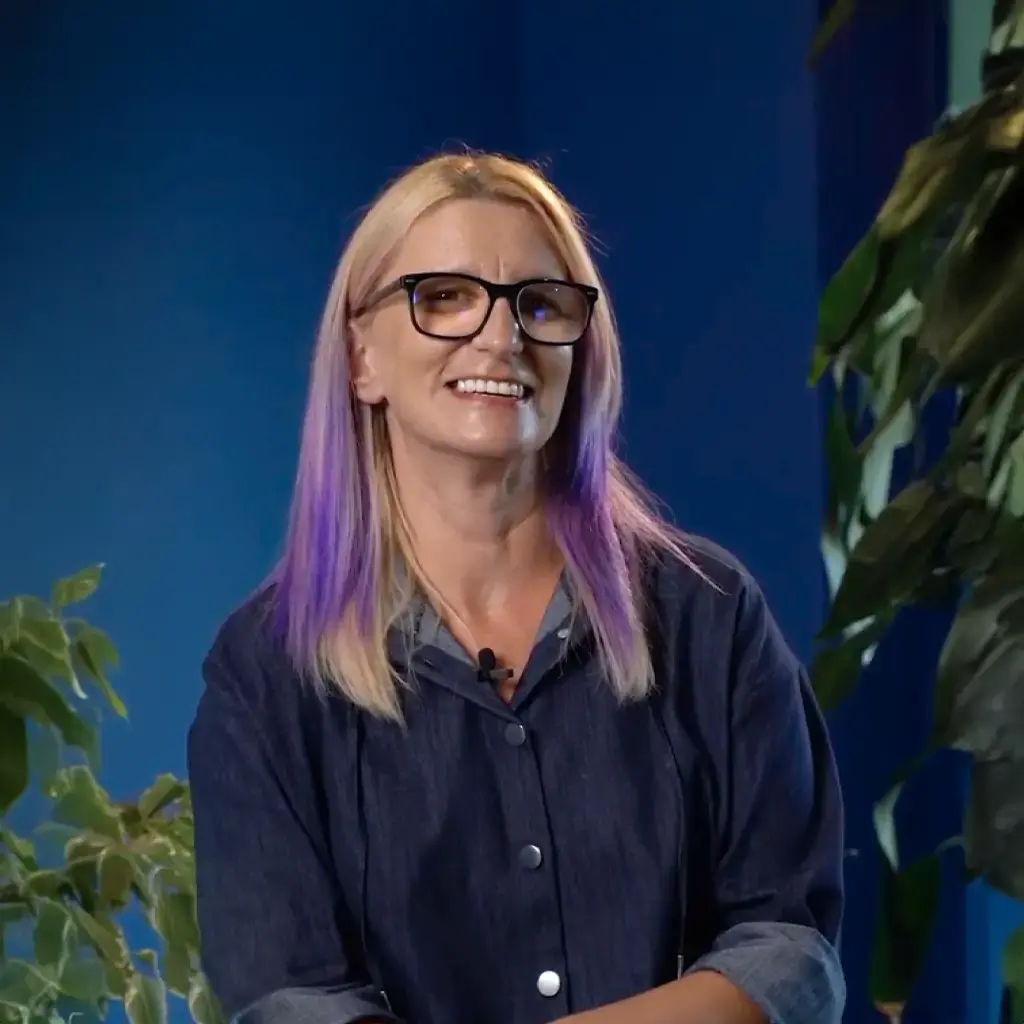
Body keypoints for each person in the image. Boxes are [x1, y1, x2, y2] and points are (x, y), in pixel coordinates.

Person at [188, 151, 846, 1024]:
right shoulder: (265, 671)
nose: (501, 337)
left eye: (539, 303)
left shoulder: (708, 613)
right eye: (445, 297)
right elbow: (290, 1000)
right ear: (360, 360)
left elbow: (788, 953)